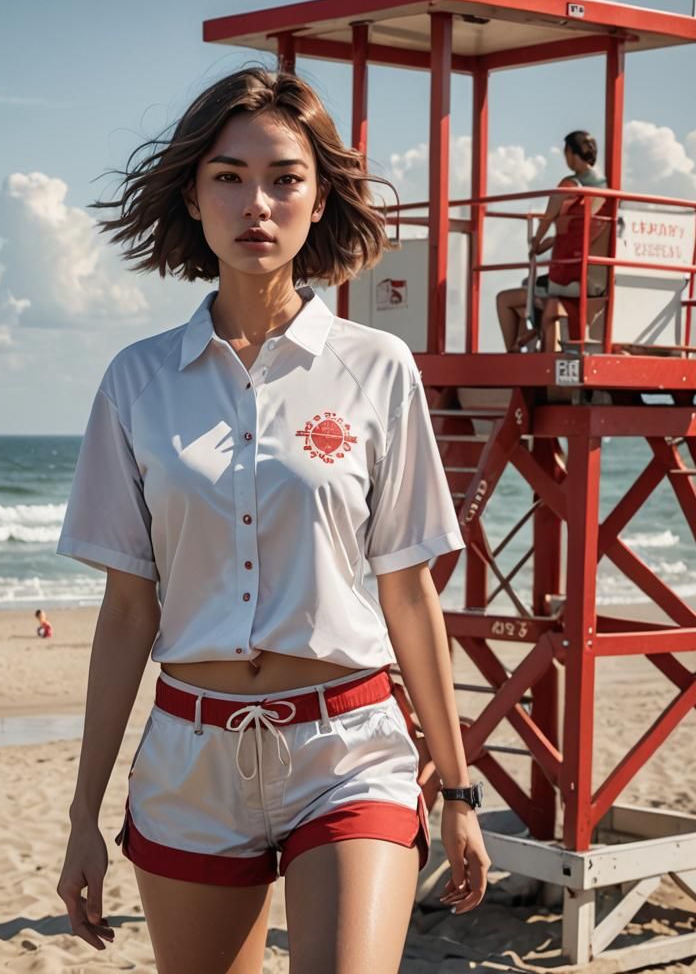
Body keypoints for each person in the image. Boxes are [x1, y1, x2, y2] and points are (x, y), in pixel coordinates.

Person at [55, 67, 490, 972]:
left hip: (349, 750)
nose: (257, 201)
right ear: (193, 193)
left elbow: (408, 594)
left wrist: (457, 791)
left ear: (320, 195)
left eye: (285, 176)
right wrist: (85, 816)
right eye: (228, 175)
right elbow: (129, 611)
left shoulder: (378, 369)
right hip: (189, 760)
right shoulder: (136, 381)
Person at [495, 130, 611, 352]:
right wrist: (551, 243)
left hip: (569, 274)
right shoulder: (605, 188)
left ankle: (515, 349)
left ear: (571, 153)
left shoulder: (570, 185)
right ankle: (533, 336)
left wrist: (536, 243)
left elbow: (548, 217)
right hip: (597, 273)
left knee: (515, 294)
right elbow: (582, 230)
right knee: (534, 290)